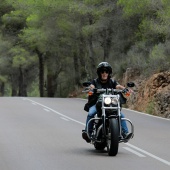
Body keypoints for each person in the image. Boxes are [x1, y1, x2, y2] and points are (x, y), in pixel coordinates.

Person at [82, 62, 132, 143]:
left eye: (106, 72)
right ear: (99, 73)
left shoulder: (112, 81)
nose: (104, 74)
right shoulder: (95, 81)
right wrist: (91, 88)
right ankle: (88, 133)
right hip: (97, 103)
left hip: (110, 104)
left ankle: (125, 133)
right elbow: (92, 86)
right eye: (102, 72)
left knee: (121, 115)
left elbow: (118, 86)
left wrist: (125, 89)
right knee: (91, 113)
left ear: (109, 73)